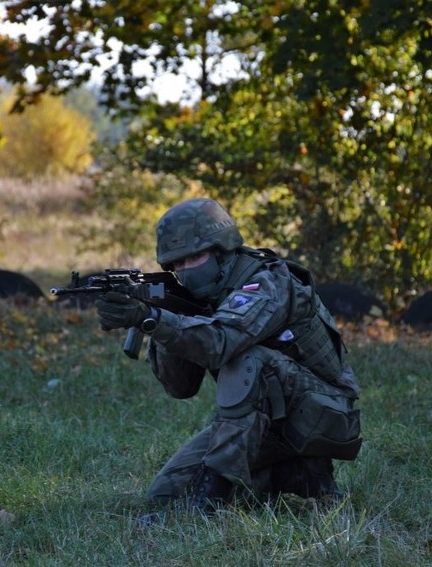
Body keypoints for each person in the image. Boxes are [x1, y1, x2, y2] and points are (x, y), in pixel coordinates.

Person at [94, 197, 361, 522]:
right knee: (165, 494)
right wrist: (170, 316)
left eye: (196, 256)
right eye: (177, 264)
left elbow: (222, 342)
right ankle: (299, 474)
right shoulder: (202, 296)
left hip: (325, 414)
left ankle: (210, 504)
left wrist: (153, 319)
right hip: (264, 422)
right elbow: (181, 387)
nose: (186, 270)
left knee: (248, 357)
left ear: (223, 249)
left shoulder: (266, 281)